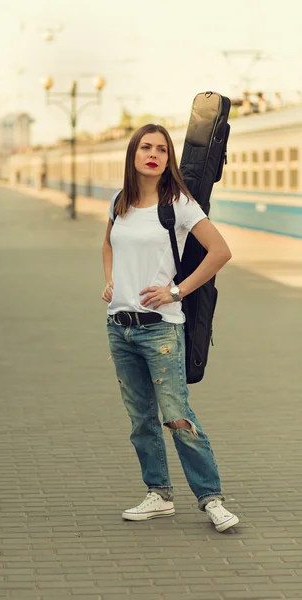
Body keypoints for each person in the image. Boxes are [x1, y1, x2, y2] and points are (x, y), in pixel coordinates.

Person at [101, 124, 239, 533]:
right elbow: (108, 244)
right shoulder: (119, 202)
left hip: (160, 330)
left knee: (177, 415)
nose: (154, 154)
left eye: (162, 149)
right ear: (133, 154)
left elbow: (220, 252)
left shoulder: (178, 202)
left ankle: (211, 499)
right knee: (141, 419)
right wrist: (109, 280)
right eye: (146, 147)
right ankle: (158, 495)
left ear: (169, 158)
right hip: (119, 327)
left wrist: (175, 291)